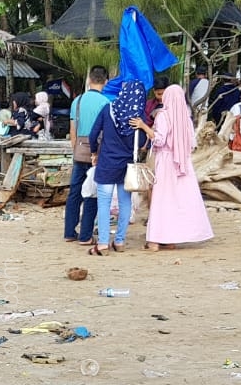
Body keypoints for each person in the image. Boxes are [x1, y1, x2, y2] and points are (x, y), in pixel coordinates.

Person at [129, 85, 213, 251]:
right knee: (178, 201)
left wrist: (144, 126)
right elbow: (191, 144)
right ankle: (171, 238)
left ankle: (155, 239)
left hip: (166, 161)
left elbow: (159, 140)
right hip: (183, 163)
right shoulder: (186, 119)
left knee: (161, 200)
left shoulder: (163, 116)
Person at [87, 80, 147, 255]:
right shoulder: (138, 116)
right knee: (125, 202)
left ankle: (103, 243)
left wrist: (94, 153)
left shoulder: (109, 109)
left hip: (106, 164)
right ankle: (120, 241)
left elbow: (93, 135)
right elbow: (143, 143)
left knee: (104, 203)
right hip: (126, 167)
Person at [65, 65, 109, 245]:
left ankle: (69, 232)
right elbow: (106, 132)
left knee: (74, 192)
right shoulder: (106, 103)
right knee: (91, 193)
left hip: (79, 153)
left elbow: (72, 131)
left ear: (89, 80)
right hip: (96, 153)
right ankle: (86, 235)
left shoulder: (78, 101)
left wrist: (75, 149)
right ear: (106, 82)